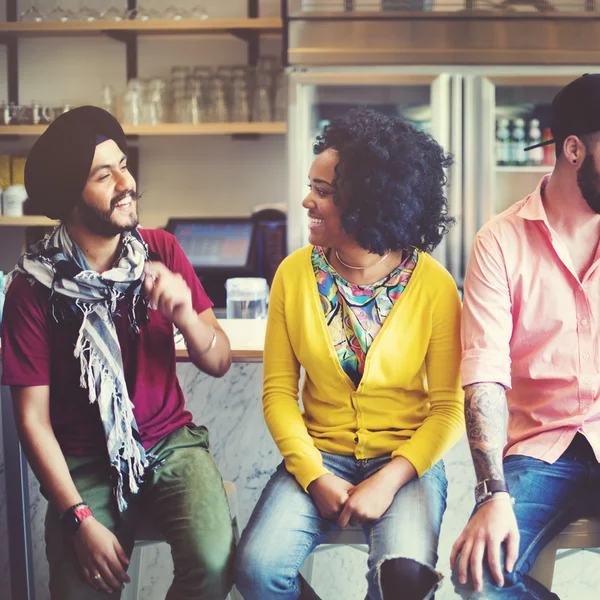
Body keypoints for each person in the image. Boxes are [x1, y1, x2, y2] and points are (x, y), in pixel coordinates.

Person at [1, 106, 235, 600]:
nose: (126, 182)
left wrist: (188, 316)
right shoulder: (32, 288)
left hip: (172, 443)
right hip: (85, 461)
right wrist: (77, 517)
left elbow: (218, 361)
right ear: (70, 194)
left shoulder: (162, 251)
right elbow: (32, 421)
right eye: (104, 175)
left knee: (215, 563)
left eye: (124, 165)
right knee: (78, 590)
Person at [235, 108, 464, 600]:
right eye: (311, 186)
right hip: (320, 456)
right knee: (255, 571)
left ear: (369, 204)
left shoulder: (435, 287)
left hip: (404, 464)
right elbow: (278, 394)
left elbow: (448, 408)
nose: (306, 201)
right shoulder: (293, 276)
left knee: (401, 581)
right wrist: (314, 475)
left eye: (324, 193)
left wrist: (389, 480)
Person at [451, 74, 600, 600]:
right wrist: (492, 493)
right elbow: (484, 376)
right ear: (575, 149)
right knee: (479, 577)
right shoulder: (499, 241)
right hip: (540, 451)